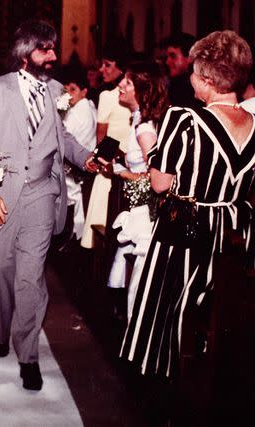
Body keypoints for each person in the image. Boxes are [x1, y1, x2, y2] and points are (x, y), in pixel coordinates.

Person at [121, 31, 254, 380]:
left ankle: (163, 373)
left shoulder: (186, 119)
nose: (189, 78)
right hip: (235, 233)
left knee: (166, 314)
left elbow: (160, 183)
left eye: (193, 71)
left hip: (188, 230)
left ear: (208, 79)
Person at [0, 19, 97, 391]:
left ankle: (28, 355)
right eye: (46, 49)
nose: (54, 56)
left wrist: (86, 158)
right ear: (26, 53)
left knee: (30, 274)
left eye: (53, 48)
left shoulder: (57, 90)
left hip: (43, 193)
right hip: (0, 193)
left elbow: (63, 137)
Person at [105, 61, 168, 320]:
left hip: (146, 212)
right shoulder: (139, 120)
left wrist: (119, 172)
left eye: (127, 83)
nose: (120, 84)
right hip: (136, 206)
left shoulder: (145, 129)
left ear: (143, 91)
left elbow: (155, 176)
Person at [81, 41, 132, 250]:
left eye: (107, 65)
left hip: (133, 165)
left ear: (121, 68)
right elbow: (101, 140)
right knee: (104, 227)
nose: (102, 70)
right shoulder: (106, 96)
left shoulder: (131, 95)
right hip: (111, 167)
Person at [60, 66, 97, 240]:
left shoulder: (78, 111)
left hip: (75, 166)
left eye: (73, 90)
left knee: (73, 210)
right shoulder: (88, 106)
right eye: (66, 90)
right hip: (79, 165)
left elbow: (63, 138)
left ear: (84, 91)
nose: (69, 94)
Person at [163, 32, 201, 108]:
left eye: (173, 56)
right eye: (167, 57)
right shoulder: (173, 84)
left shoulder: (198, 89)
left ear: (189, 57)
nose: (167, 62)